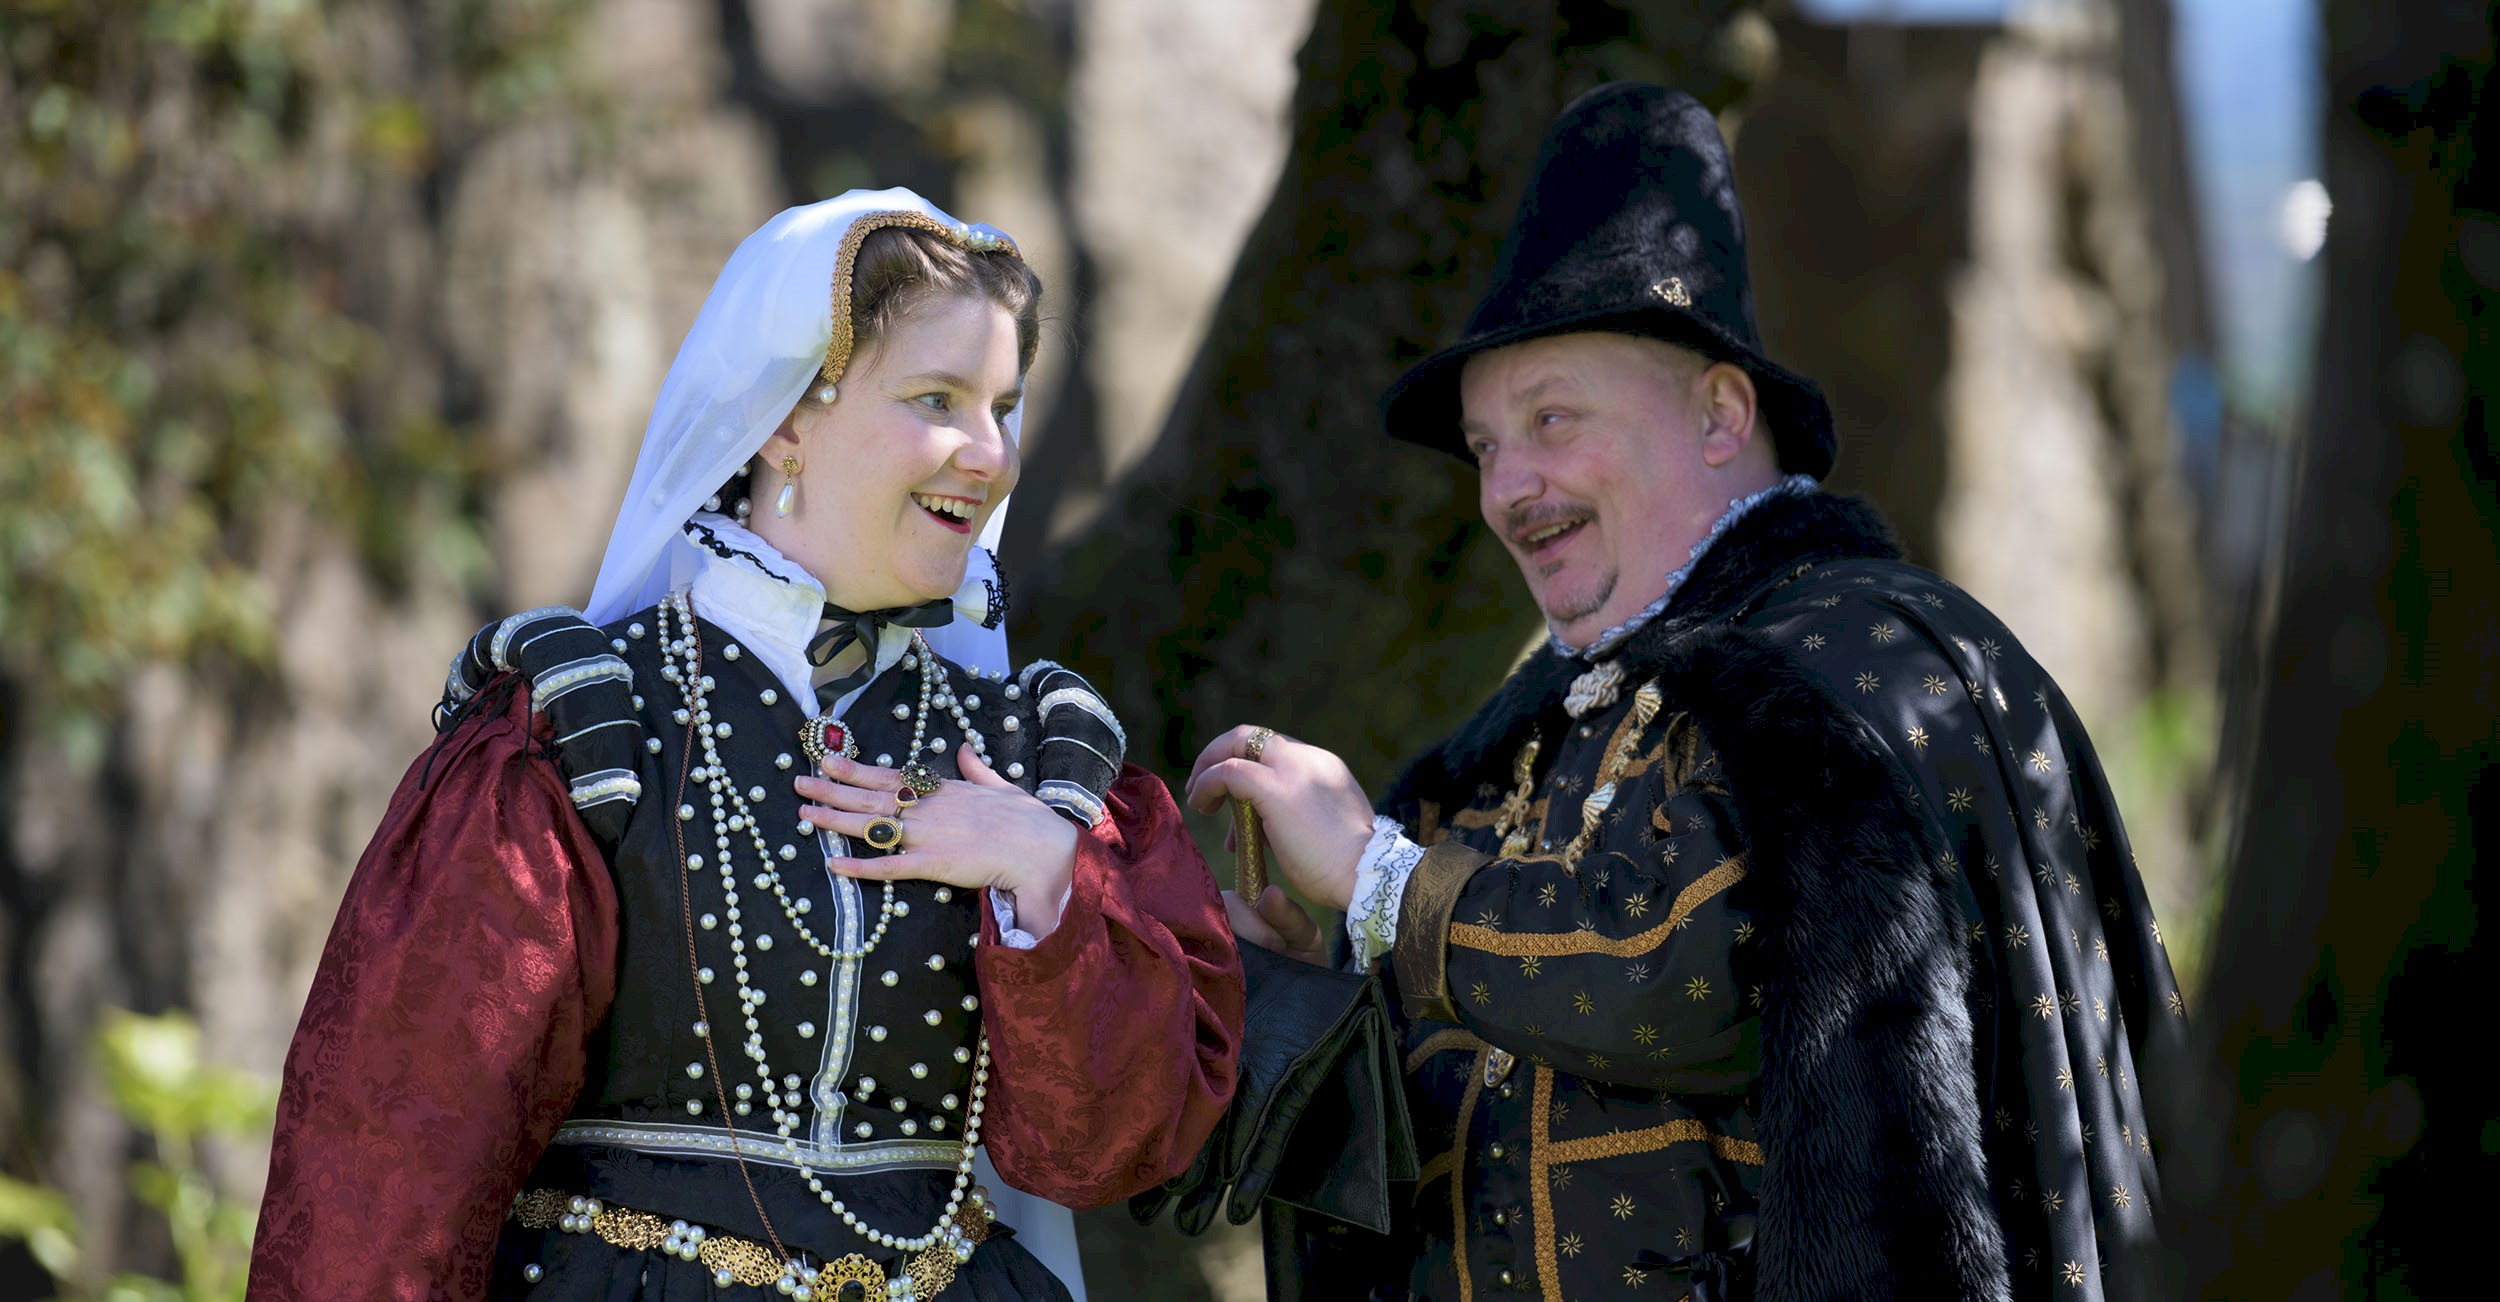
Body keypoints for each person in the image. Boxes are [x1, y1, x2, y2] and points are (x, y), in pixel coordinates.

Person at [1187, 85, 2186, 1300]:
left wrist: (1377, 879)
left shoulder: (1863, 677)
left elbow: (1699, 975)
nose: (1510, 490)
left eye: (1552, 418)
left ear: (1721, 413)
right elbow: (1437, 1161)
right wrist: (1308, 983)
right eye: (1487, 445)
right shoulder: (1501, 761)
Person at [250, 190, 1245, 1301]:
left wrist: (1047, 871)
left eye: (1004, 407)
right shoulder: (581, 737)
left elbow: (1108, 1152)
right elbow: (387, 1174)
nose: (990, 453)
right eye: (937, 399)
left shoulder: (1032, 765)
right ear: (784, 419)